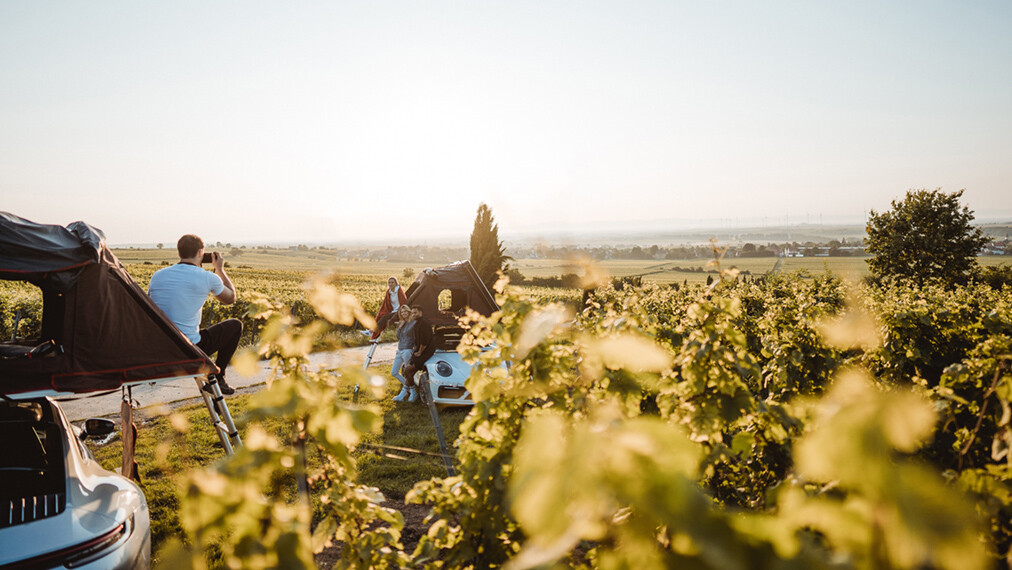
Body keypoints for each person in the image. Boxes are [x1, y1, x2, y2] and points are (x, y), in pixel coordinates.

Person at [148, 234, 242, 395]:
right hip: (189, 349)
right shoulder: (208, 277)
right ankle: (219, 378)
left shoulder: (158, 275)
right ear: (200, 253)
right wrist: (220, 269)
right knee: (235, 325)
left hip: (161, 349)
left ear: (179, 253)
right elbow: (231, 298)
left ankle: (217, 381)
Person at [401, 306, 434, 403]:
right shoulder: (417, 323)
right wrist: (415, 348)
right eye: (412, 313)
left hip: (425, 352)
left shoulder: (424, 323)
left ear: (421, 312)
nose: (413, 315)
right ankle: (404, 393)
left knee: (407, 370)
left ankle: (413, 393)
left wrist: (419, 352)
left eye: (415, 313)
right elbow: (418, 340)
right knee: (409, 372)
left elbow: (424, 341)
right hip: (419, 351)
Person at [389, 305, 417, 402]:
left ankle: (411, 392)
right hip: (400, 350)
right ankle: (409, 389)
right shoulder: (402, 323)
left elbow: (415, 337)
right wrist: (400, 327)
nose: (404, 313)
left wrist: (414, 348)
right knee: (394, 372)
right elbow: (398, 337)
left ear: (409, 312)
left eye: (405, 311)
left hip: (407, 350)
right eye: (402, 312)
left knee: (407, 372)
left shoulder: (413, 323)